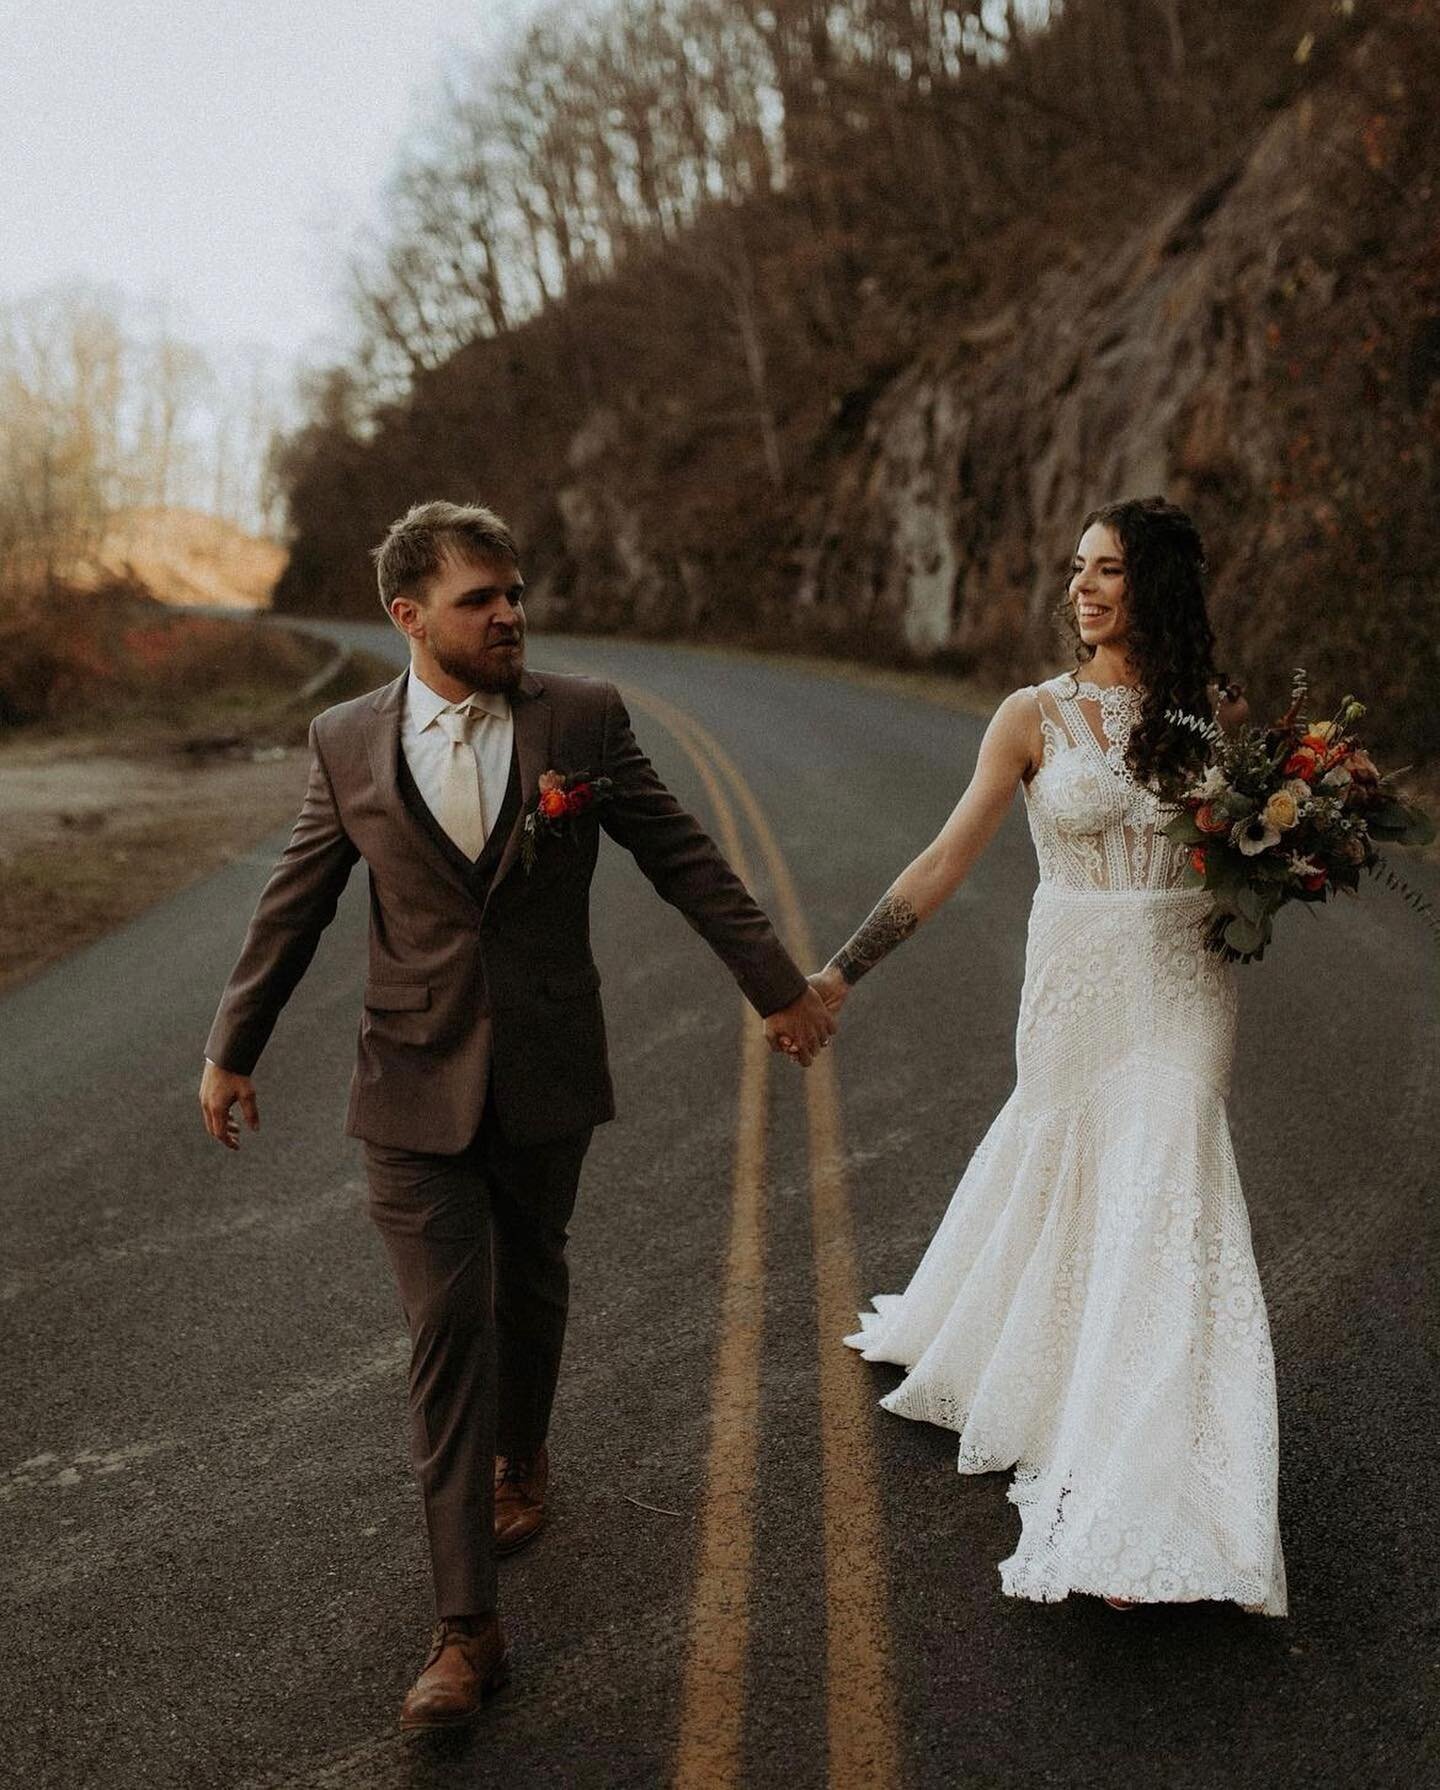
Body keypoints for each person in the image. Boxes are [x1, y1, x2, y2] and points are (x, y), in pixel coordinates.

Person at [199, 500, 835, 1732]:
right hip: (408, 1077)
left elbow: (685, 856)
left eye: (514, 592)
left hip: (544, 1065)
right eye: (480, 598)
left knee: (532, 1274)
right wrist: (232, 1047)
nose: (510, 614)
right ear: (408, 616)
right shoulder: (343, 739)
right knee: (448, 1327)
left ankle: (526, 1452)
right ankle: (465, 1631)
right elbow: (294, 907)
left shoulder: (581, 717)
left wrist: (781, 989)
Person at [809, 496, 1287, 1616]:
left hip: (1182, 982)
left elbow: (1248, 857)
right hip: (1076, 981)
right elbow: (945, 855)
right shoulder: (1031, 716)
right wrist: (839, 972)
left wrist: (1287, 863)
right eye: (1077, 567)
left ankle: (1143, 1493)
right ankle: (1045, 1379)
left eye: (1108, 569)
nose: (1082, 587)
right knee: (1080, 1182)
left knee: (1164, 1198)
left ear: (1156, 585)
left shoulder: (1221, 716)